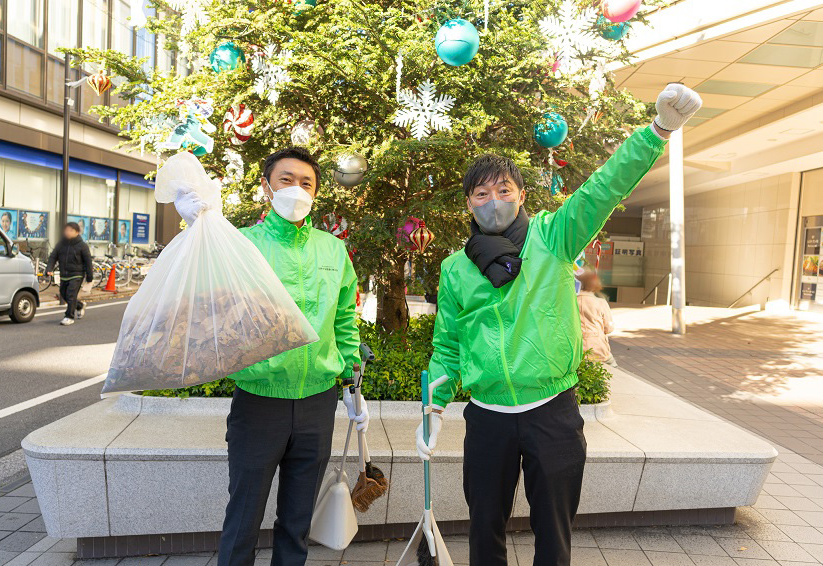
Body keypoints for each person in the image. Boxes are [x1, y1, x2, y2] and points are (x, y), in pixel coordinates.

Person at [416, 84, 702, 566]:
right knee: (484, 528)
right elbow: (447, 344)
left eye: (503, 190)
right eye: (481, 194)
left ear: (521, 194)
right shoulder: (454, 269)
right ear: (469, 204)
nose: (493, 201)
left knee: (554, 531)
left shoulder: (553, 237)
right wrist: (434, 408)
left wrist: (659, 131)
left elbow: (603, 188)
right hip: (486, 417)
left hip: (552, 413)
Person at [173, 146, 368, 566]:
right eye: (286, 180)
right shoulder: (241, 243)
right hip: (259, 401)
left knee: (297, 521)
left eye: (306, 183)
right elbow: (204, 296)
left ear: (316, 193)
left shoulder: (333, 251)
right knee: (243, 516)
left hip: (318, 400)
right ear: (266, 186)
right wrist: (196, 230)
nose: (296, 190)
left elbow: (345, 320)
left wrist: (352, 382)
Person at [46, 222, 94, 326]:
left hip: (77, 274)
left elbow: (88, 261)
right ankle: (79, 305)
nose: (68, 232)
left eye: (71, 230)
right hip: (64, 274)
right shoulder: (61, 244)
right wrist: (49, 268)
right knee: (63, 294)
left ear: (77, 232)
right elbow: (53, 256)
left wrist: (89, 277)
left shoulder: (82, 246)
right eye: (66, 230)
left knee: (71, 294)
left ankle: (69, 316)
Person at [576, 269, 616, 366]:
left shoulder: (569, 302)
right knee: (614, 368)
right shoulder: (600, 302)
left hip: (574, 352)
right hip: (598, 351)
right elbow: (609, 328)